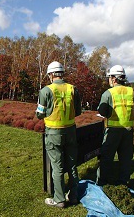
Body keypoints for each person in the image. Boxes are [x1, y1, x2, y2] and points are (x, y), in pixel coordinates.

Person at [36, 61, 82, 208]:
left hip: (53, 134)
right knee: (72, 165)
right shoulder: (73, 89)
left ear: (51, 75)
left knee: (58, 167)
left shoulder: (45, 91)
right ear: (62, 73)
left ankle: (59, 199)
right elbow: (79, 111)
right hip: (70, 132)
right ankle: (74, 196)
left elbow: (39, 114)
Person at [96, 65, 134, 186]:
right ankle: (123, 184)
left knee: (106, 158)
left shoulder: (108, 93)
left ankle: (102, 183)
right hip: (128, 131)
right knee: (125, 159)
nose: (109, 80)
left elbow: (102, 111)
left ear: (114, 79)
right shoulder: (132, 92)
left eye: (109, 77)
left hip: (112, 132)